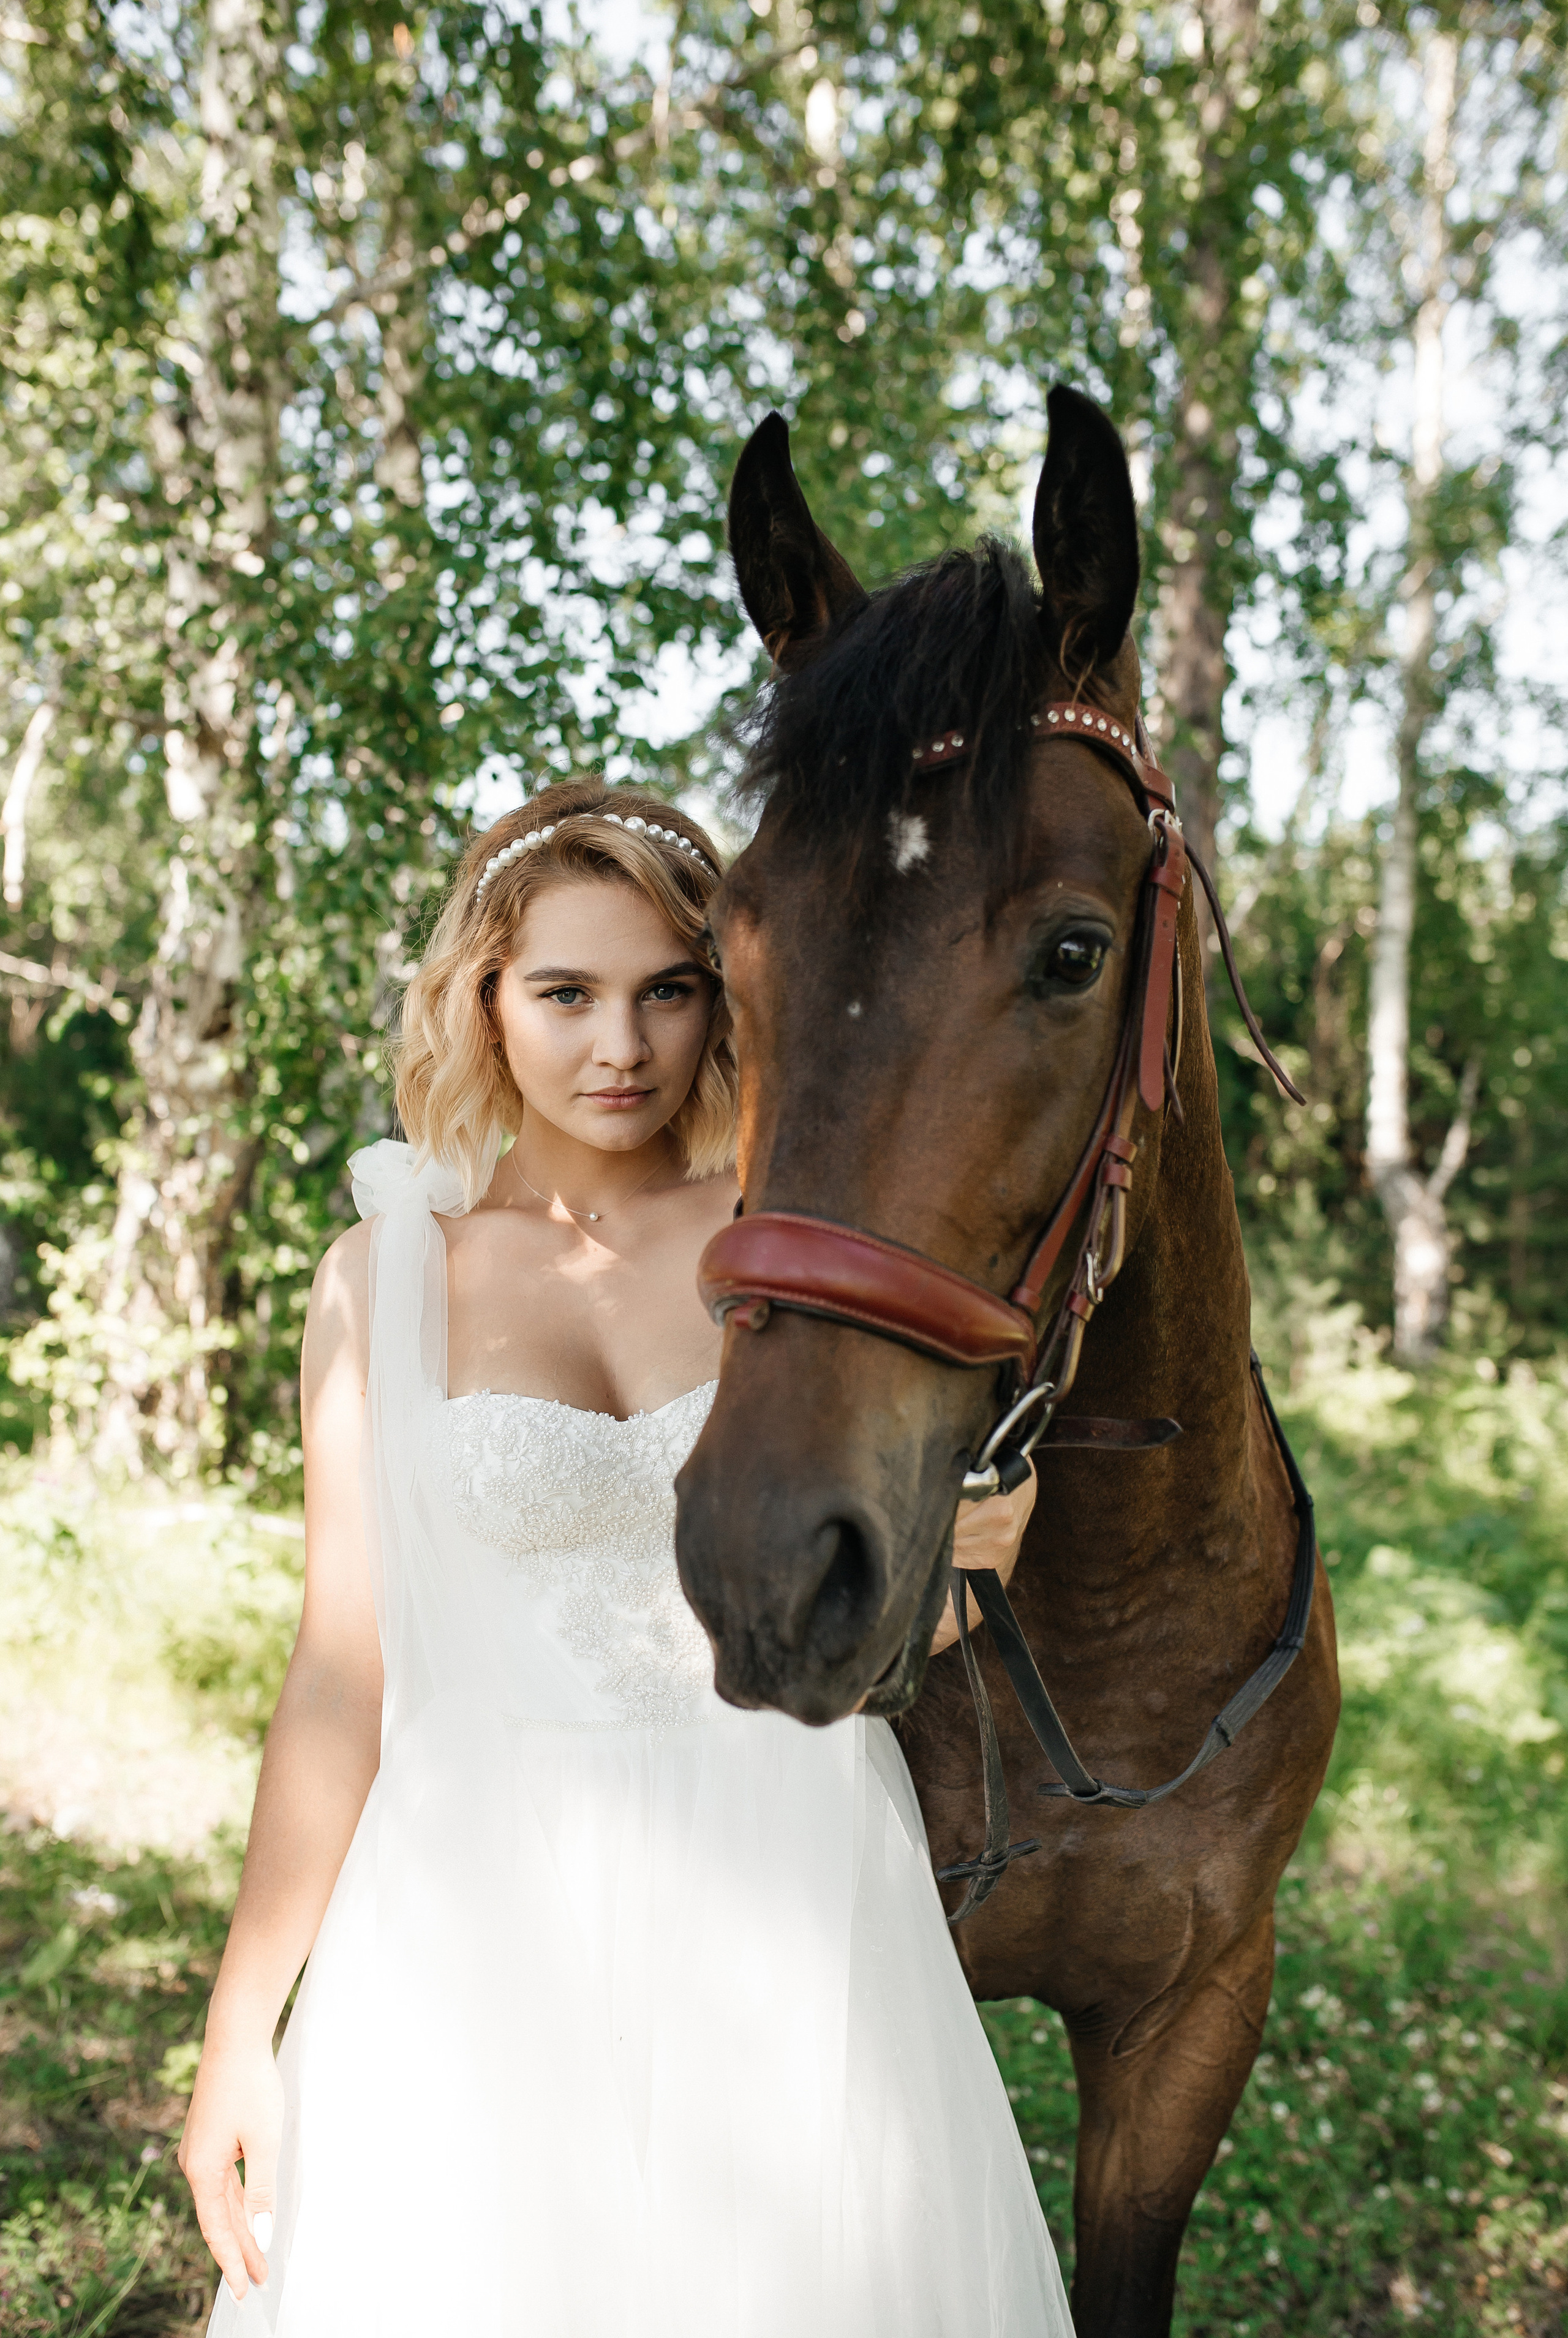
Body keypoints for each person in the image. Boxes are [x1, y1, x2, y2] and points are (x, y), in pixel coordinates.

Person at [178, 777, 1071, 2337]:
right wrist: (243, 2024)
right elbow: (340, 1667)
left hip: (785, 1864)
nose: (621, 1046)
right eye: (566, 994)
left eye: (668, 991)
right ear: (483, 1001)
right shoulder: (385, 1275)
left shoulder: (782, 1241)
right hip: (475, 1890)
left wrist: (964, 1567)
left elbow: (841, 1621)